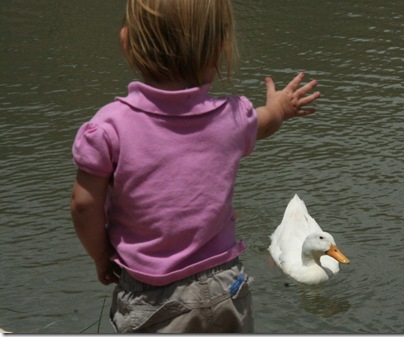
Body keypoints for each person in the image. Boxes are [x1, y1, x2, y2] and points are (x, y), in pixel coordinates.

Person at [70, 0, 320, 333]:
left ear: (127, 42)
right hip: (226, 284)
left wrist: (101, 255)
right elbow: (267, 120)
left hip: (151, 293)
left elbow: (84, 206)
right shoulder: (232, 117)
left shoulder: (108, 128)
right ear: (218, 51)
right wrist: (282, 107)